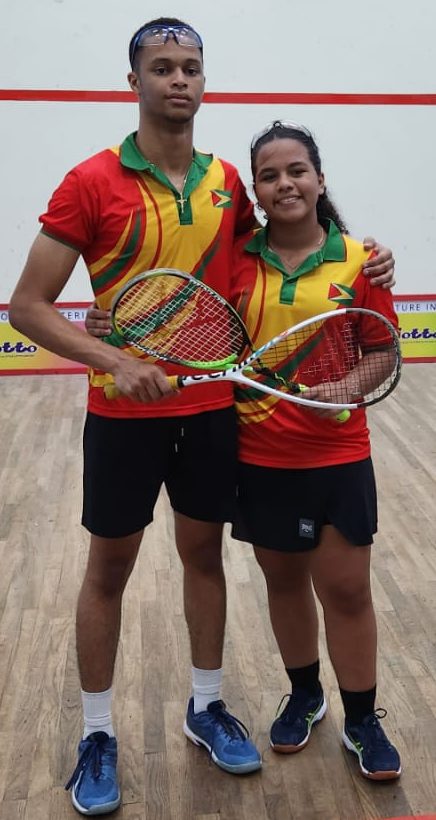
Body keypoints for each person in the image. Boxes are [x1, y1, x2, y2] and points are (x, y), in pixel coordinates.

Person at [9, 18, 396, 816]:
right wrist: (115, 359)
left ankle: (207, 705)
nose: (177, 80)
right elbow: (27, 307)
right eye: (161, 68)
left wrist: (369, 249)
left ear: (203, 82)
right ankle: (95, 734)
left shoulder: (227, 182)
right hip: (122, 414)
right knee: (108, 570)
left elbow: (286, 242)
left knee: (204, 558)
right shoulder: (89, 181)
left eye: (190, 67)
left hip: (215, 410)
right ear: (135, 83)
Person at [228, 120, 401, 781]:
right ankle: (305, 696)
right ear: (258, 191)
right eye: (269, 175)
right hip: (261, 456)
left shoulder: (361, 260)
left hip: (337, 458)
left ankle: (361, 720)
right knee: (284, 582)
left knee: (348, 591)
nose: (285, 183)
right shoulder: (237, 262)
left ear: (319, 179)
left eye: (296, 170)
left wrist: (342, 386)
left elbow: (382, 351)